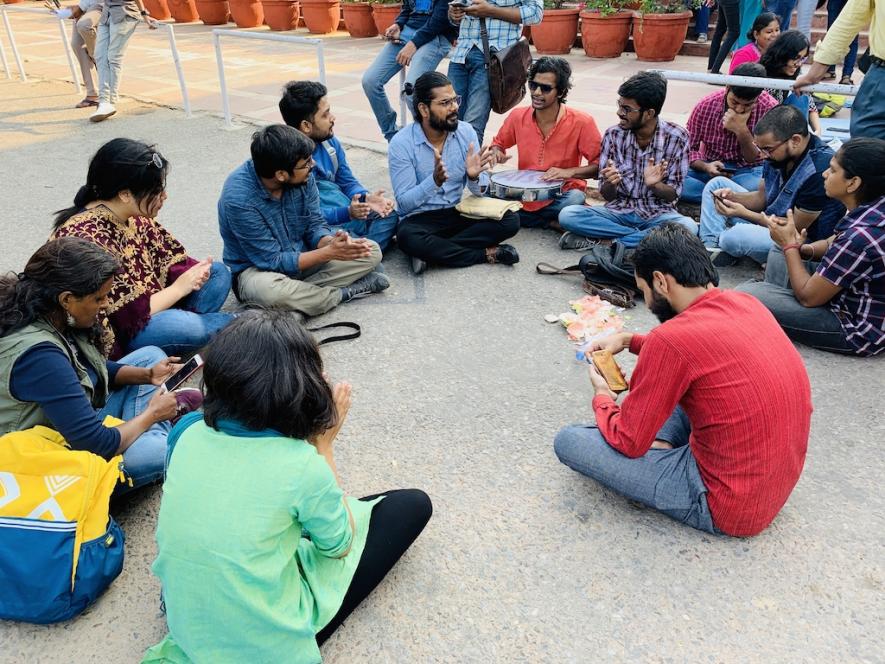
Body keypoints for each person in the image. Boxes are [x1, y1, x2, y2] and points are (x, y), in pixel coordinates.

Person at [143, 310, 432, 663]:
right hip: (262, 643)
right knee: (411, 505)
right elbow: (338, 545)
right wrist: (324, 447)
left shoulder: (186, 431)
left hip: (186, 619)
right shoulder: (302, 465)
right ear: (301, 390)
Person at [553, 224, 811, 538]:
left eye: (645, 290)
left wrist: (603, 396)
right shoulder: (746, 303)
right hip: (767, 485)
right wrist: (629, 340)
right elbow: (702, 349)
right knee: (689, 384)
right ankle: (661, 445)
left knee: (569, 440)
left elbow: (628, 441)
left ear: (660, 282)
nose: (647, 303)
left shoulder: (670, 341)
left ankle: (659, 456)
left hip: (724, 505)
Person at [0, 238, 198, 494]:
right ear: (67, 299)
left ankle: (153, 425)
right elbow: (96, 444)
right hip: (36, 465)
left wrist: (148, 375)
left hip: (61, 424)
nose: (105, 305)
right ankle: (160, 426)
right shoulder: (40, 357)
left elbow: (86, 367)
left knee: (149, 356)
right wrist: (152, 414)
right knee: (157, 451)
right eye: (99, 298)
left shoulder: (43, 310)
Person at [51, 138, 234, 360]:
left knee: (218, 273)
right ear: (125, 194)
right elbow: (123, 316)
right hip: (125, 332)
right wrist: (179, 289)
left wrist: (193, 275)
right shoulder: (88, 238)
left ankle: (183, 330)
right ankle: (233, 324)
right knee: (185, 324)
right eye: (156, 190)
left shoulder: (127, 213)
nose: (164, 197)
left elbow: (168, 259)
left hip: (152, 308)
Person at [218, 125, 388, 316]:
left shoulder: (302, 177)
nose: (313, 165)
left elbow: (315, 225)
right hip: (258, 272)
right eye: (306, 163)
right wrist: (328, 253)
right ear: (281, 174)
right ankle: (341, 294)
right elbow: (272, 261)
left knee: (371, 250)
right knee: (270, 292)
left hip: (302, 255)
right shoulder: (239, 199)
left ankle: (296, 304)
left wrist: (333, 243)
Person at [737, 137, 885, 356]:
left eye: (832, 171)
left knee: (746, 295)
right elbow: (833, 243)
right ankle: (774, 310)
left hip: (854, 327)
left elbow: (809, 298)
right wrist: (803, 250)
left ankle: (769, 312)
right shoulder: (873, 208)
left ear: (853, 183)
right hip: (847, 292)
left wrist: (790, 246)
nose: (825, 174)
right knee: (784, 249)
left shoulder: (860, 236)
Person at [388, 72, 520, 275]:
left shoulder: (465, 132)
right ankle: (485, 254)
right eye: (445, 103)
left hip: (456, 211)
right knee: (407, 236)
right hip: (420, 219)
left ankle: (430, 252)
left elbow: (479, 193)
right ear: (424, 109)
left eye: (455, 100)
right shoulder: (401, 143)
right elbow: (404, 203)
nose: (455, 107)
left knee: (510, 219)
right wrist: (433, 182)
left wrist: (474, 177)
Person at [557, 72, 696, 252]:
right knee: (568, 215)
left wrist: (655, 185)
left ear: (649, 113)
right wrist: (610, 183)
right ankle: (643, 240)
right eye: (620, 105)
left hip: (658, 214)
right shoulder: (613, 135)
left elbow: (672, 195)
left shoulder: (677, 137)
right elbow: (608, 196)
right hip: (618, 212)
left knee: (689, 228)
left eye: (627, 109)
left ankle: (609, 243)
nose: (619, 112)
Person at [699, 104, 845, 265]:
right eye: (759, 148)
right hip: (770, 221)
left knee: (735, 236)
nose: (761, 155)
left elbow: (793, 228)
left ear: (795, 140)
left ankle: (724, 244)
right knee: (716, 185)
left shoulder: (819, 170)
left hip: (801, 240)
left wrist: (744, 213)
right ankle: (712, 248)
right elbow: (762, 198)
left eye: (767, 149)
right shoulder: (775, 152)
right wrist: (733, 198)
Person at [279, 81, 399, 253]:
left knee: (389, 215)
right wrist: (346, 212)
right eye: (325, 114)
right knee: (322, 240)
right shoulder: (287, 160)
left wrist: (366, 199)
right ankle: (366, 252)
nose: (333, 118)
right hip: (324, 226)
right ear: (306, 125)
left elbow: (347, 181)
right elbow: (304, 217)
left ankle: (360, 253)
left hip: (350, 214)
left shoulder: (329, 144)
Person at [487, 56, 601, 230]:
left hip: (561, 194)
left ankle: (524, 218)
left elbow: (598, 166)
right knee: (487, 189)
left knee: (575, 198)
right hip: (524, 195)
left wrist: (567, 172)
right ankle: (550, 222)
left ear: (561, 92)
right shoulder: (518, 116)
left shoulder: (582, 122)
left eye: (545, 88)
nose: (537, 92)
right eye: (533, 85)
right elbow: (498, 144)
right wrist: (497, 152)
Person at [446, 0, 544, 145]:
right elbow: (456, 15)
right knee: (448, 119)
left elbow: (536, 13)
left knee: (473, 125)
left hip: (493, 58)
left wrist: (491, 10)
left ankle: (470, 167)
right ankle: (452, 165)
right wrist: (454, 14)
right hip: (461, 54)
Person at [361, 0, 457, 142]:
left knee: (411, 91)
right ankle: (393, 136)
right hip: (408, 32)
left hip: (436, 36)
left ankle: (431, 140)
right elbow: (408, 7)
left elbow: (442, 18)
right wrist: (398, 24)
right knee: (370, 81)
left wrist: (414, 44)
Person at [683, 63, 778, 204]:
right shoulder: (706, 105)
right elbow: (689, 148)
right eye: (734, 102)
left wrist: (741, 130)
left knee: (765, 187)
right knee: (676, 181)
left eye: (747, 105)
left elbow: (754, 158)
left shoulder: (769, 108)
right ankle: (733, 197)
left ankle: (715, 195)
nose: (739, 109)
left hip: (749, 171)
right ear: (727, 88)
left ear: (758, 96)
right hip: (709, 167)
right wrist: (705, 166)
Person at [794, 0, 884, 139]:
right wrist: (817, 69)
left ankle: (846, 74)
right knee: (866, 138)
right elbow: (851, 18)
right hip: (881, 72)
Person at [90, 0, 158, 122]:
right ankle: (105, 101)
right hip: (107, 14)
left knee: (114, 57)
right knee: (100, 56)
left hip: (124, 14)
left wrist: (144, 15)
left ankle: (107, 101)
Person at [760, 30, 821, 134]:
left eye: (802, 59)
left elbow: (810, 106)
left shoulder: (795, 76)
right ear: (783, 53)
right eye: (796, 58)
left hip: (788, 128)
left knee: (801, 94)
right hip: (764, 129)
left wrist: (818, 131)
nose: (798, 64)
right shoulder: (761, 74)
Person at [47, 0, 102, 108]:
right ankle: (92, 95)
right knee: (77, 45)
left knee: (84, 25)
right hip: (85, 7)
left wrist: (80, 7)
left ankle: (96, 56)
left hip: (101, 5)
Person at [706, 0, 741, 74]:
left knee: (719, 31)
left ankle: (711, 67)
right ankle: (714, 70)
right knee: (733, 33)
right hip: (731, 2)